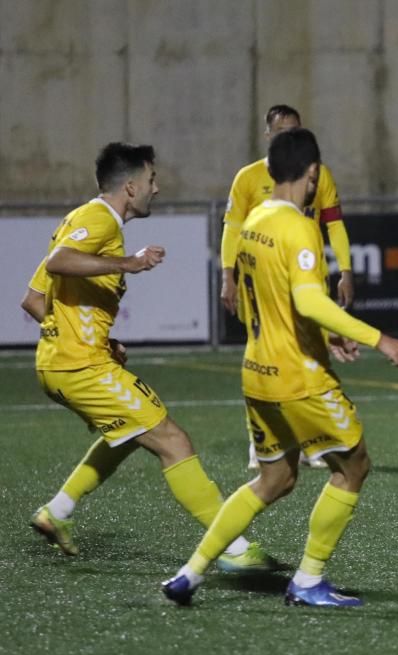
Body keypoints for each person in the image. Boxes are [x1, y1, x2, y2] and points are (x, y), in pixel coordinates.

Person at [162, 128, 398, 607]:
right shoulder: (299, 226)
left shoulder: (255, 219)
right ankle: (308, 580)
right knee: (353, 467)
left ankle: (190, 574)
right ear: (313, 173)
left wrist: (328, 332)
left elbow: (286, 303)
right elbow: (307, 299)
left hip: (256, 372)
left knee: (274, 479)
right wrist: (377, 337)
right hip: (298, 376)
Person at [23, 142, 278, 572]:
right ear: (129, 186)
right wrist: (128, 263)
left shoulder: (81, 221)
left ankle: (57, 511)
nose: (155, 189)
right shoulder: (98, 218)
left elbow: (33, 299)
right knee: (173, 441)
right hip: (78, 366)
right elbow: (59, 262)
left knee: (125, 434)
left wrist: (98, 339)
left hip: (67, 363)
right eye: (151, 180)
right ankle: (234, 550)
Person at [221, 104, 354, 470]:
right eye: (281, 130)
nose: (288, 136)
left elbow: (334, 223)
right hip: (264, 279)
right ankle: (261, 440)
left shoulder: (319, 175)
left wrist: (345, 269)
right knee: (264, 351)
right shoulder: (248, 178)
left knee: (313, 349)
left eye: (294, 129)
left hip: (305, 272)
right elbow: (233, 228)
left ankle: (315, 442)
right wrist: (227, 274)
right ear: (268, 135)